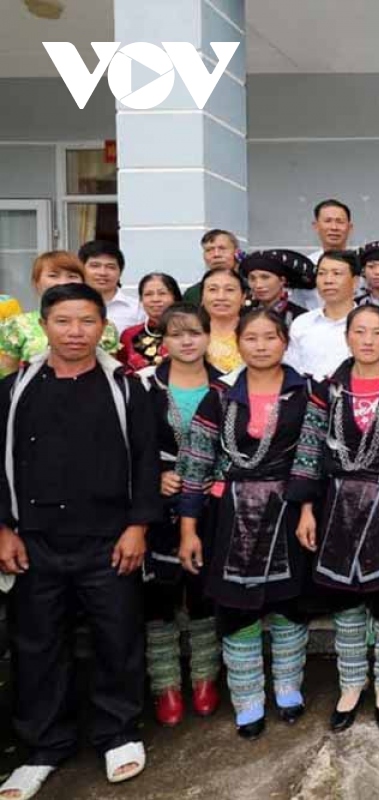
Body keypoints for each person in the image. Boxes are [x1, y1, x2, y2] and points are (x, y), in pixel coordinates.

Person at [0, 283, 158, 798]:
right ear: (43, 325)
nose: (75, 332)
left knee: (117, 637)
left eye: (87, 321)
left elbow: (145, 461)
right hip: (33, 539)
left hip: (109, 538)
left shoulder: (126, 389)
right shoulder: (15, 388)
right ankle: (44, 746)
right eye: (64, 321)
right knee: (37, 642)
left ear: (103, 327)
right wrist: (3, 528)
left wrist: (137, 526)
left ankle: (117, 732)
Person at [289, 305, 379, 732]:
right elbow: (309, 448)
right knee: (345, 601)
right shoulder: (328, 388)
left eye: (377, 332)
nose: (368, 340)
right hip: (335, 504)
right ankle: (351, 685)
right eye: (360, 331)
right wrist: (304, 508)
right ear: (348, 337)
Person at [177, 309, 312, 740]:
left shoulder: (305, 392)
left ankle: (289, 687)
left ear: (284, 342)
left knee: (289, 604)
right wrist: (188, 529)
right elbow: (195, 463)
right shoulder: (219, 395)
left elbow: (314, 461)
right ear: (238, 342)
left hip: (288, 510)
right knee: (236, 606)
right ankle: (248, 698)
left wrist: (308, 506)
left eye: (269, 337)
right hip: (231, 514)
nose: (260, 345)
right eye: (251, 338)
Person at [137, 304, 226, 727]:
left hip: (211, 503)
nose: (187, 341)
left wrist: (213, 479)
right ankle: (166, 686)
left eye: (195, 332)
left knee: (204, 590)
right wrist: (155, 476)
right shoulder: (141, 386)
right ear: (163, 340)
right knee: (160, 597)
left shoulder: (226, 386)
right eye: (177, 334)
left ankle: (206, 680)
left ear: (209, 336)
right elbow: (126, 447)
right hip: (158, 505)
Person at [0, 251, 119, 377]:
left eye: (72, 276)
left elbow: (111, 372)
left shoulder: (105, 326)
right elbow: (8, 375)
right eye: (53, 275)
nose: (63, 282)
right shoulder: (17, 325)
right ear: (36, 282)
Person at [287, 250, 359, 381]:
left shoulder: (369, 322)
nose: (328, 280)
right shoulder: (302, 323)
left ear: (355, 282)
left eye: (336, 273)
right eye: (322, 274)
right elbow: (292, 369)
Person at [118, 272, 183, 371]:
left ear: (175, 298)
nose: (155, 299)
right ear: (141, 300)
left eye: (162, 293)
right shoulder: (129, 335)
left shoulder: (190, 332)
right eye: (148, 294)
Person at [79, 239, 145, 332]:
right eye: (95, 266)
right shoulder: (68, 305)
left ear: (120, 272)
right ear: (81, 269)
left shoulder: (137, 309)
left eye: (110, 267)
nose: (102, 273)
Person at [240, 249, 316, 328]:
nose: (258, 285)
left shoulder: (301, 318)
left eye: (265, 277)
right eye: (252, 278)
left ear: (282, 281)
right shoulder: (242, 314)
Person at [302, 199, 355, 310]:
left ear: (349, 228)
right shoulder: (305, 265)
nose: (334, 227)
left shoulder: (361, 263)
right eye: (328, 221)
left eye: (339, 221)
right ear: (316, 226)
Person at [200, 268, 249, 373]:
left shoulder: (257, 334)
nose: (221, 297)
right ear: (202, 297)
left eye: (230, 290)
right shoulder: (190, 335)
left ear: (243, 297)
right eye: (213, 289)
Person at [182, 229, 242, 305]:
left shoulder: (252, 287)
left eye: (222, 248)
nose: (216, 254)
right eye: (209, 250)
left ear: (237, 252)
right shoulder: (193, 294)